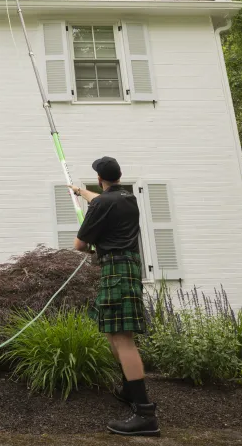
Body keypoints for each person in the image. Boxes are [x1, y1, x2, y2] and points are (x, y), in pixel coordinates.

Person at [69, 156, 160, 437]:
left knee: (122, 337)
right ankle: (129, 390)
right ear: (119, 176)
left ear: (100, 179)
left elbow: (80, 246)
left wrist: (90, 209)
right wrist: (80, 193)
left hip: (115, 269)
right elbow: (101, 199)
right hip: (125, 267)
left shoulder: (101, 205)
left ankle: (145, 414)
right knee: (112, 333)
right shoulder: (127, 198)